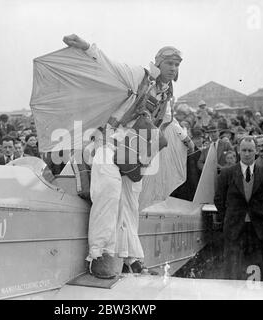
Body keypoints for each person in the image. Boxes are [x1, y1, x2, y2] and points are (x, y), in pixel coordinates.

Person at [63, 34, 192, 279]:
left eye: (177, 65)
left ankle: (132, 259)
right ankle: (99, 256)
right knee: (108, 195)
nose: (174, 69)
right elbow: (111, 67)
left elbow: (168, 120)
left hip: (134, 154)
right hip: (108, 144)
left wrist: (184, 137)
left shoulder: (167, 94)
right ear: (158, 63)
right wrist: (88, 47)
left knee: (131, 205)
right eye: (169, 64)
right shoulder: (139, 76)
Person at [214, 136, 263, 280]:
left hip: (258, 227)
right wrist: (230, 216)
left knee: (257, 266)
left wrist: (258, 213)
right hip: (234, 227)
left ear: (256, 152)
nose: (247, 154)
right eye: (244, 150)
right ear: (238, 151)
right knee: (233, 267)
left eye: (250, 150)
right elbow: (219, 199)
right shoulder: (227, 173)